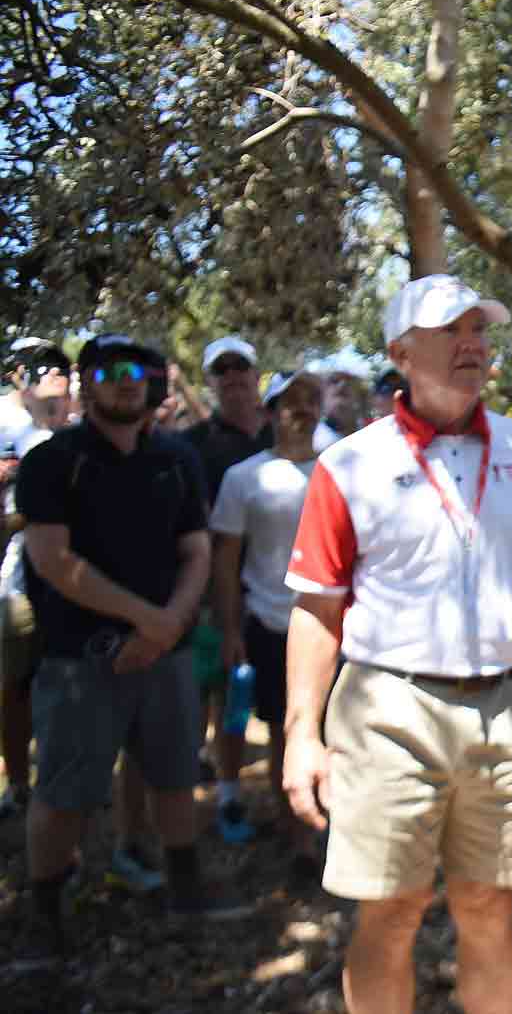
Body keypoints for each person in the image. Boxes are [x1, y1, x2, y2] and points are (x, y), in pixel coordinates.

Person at [281, 274, 512, 1014]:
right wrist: (300, 734)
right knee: (390, 913)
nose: (472, 344)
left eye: (479, 330)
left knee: (489, 908)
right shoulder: (348, 464)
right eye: (451, 329)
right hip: (387, 709)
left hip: (507, 708)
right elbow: (317, 608)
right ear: (400, 350)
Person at [16, 334, 253, 968]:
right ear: (87, 381)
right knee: (65, 796)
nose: (130, 381)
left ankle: (184, 888)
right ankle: (44, 915)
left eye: (144, 372)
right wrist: (150, 621)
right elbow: (54, 562)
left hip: (166, 655)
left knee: (176, 776)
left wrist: (169, 626)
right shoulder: (52, 462)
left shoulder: (175, 458)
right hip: (79, 661)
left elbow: (198, 551)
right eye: (114, 370)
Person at [207, 369, 328, 877]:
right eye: (288, 402)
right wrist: (231, 631)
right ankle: (300, 839)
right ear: (270, 410)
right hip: (271, 622)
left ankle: (338, 828)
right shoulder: (243, 478)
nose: (299, 411)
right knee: (287, 730)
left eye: (309, 401)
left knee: (339, 729)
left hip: (337, 622)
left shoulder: (339, 470)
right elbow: (226, 563)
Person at [182, 334, 273, 843]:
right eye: (223, 370)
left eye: (242, 368)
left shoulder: (281, 438)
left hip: (276, 595)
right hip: (212, 599)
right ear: (211, 381)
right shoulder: (191, 446)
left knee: (242, 704)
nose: (234, 377)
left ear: (256, 375)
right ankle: (209, 797)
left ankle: (230, 792)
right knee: (206, 697)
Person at [0, 342, 72, 821]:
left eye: (58, 368)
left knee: (69, 687)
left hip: (72, 587)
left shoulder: (82, 432)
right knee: (13, 689)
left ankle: (64, 779)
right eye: (37, 368)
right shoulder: (6, 423)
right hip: (16, 586)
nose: (50, 376)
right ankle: (21, 783)